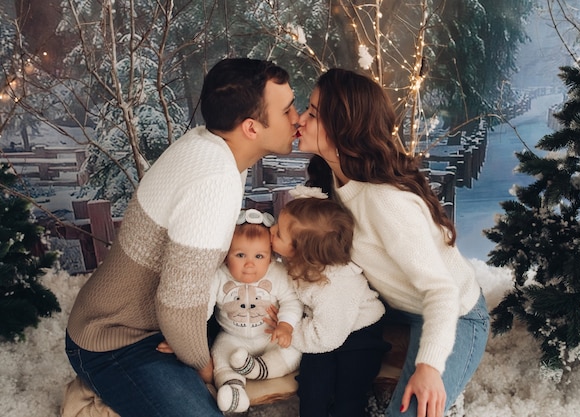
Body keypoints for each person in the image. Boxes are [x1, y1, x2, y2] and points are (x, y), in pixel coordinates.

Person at [64, 58, 299, 417]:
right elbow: (176, 305)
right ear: (252, 128)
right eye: (287, 110)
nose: (296, 118)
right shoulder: (214, 179)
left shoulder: (211, 147)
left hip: (156, 321)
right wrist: (205, 367)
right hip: (114, 338)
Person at [298, 68, 490, 417]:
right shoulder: (333, 179)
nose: (300, 118)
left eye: (312, 113)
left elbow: (442, 292)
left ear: (343, 126)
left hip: (454, 311)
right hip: (396, 304)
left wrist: (429, 367)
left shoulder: (385, 201)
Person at [257, 188, 389, 417]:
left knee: (348, 395)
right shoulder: (299, 264)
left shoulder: (333, 286)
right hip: (324, 326)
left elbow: (326, 337)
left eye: (278, 234)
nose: (271, 230)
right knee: (312, 386)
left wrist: (291, 332)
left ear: (301, 253)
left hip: (360, 336)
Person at [207, 209, 302, 413]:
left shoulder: (278, 273)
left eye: (259, 256)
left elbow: (291, 301)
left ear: (270, 258)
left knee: (293, 351)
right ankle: (233, 386)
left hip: (269, 336)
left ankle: (257, 370)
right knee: (221, 353)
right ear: (225, 256)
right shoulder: (219, 276)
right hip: (233, 337)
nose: (249, 264)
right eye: (240, 255)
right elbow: (202, 308)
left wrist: (285, 326)